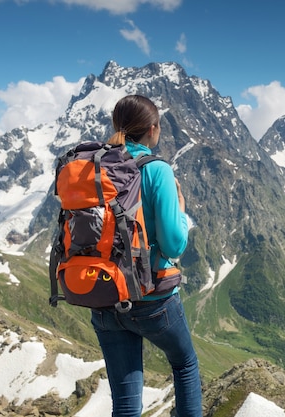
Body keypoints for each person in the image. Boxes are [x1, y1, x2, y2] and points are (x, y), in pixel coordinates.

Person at [90, 94, 202, 417]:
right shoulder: (158, 170)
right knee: (185, 365)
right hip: (153, 300)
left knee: (125, 404)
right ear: (153, 130)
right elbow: (173, 245)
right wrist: (180, 209)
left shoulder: (96, 167)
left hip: (104, 297)